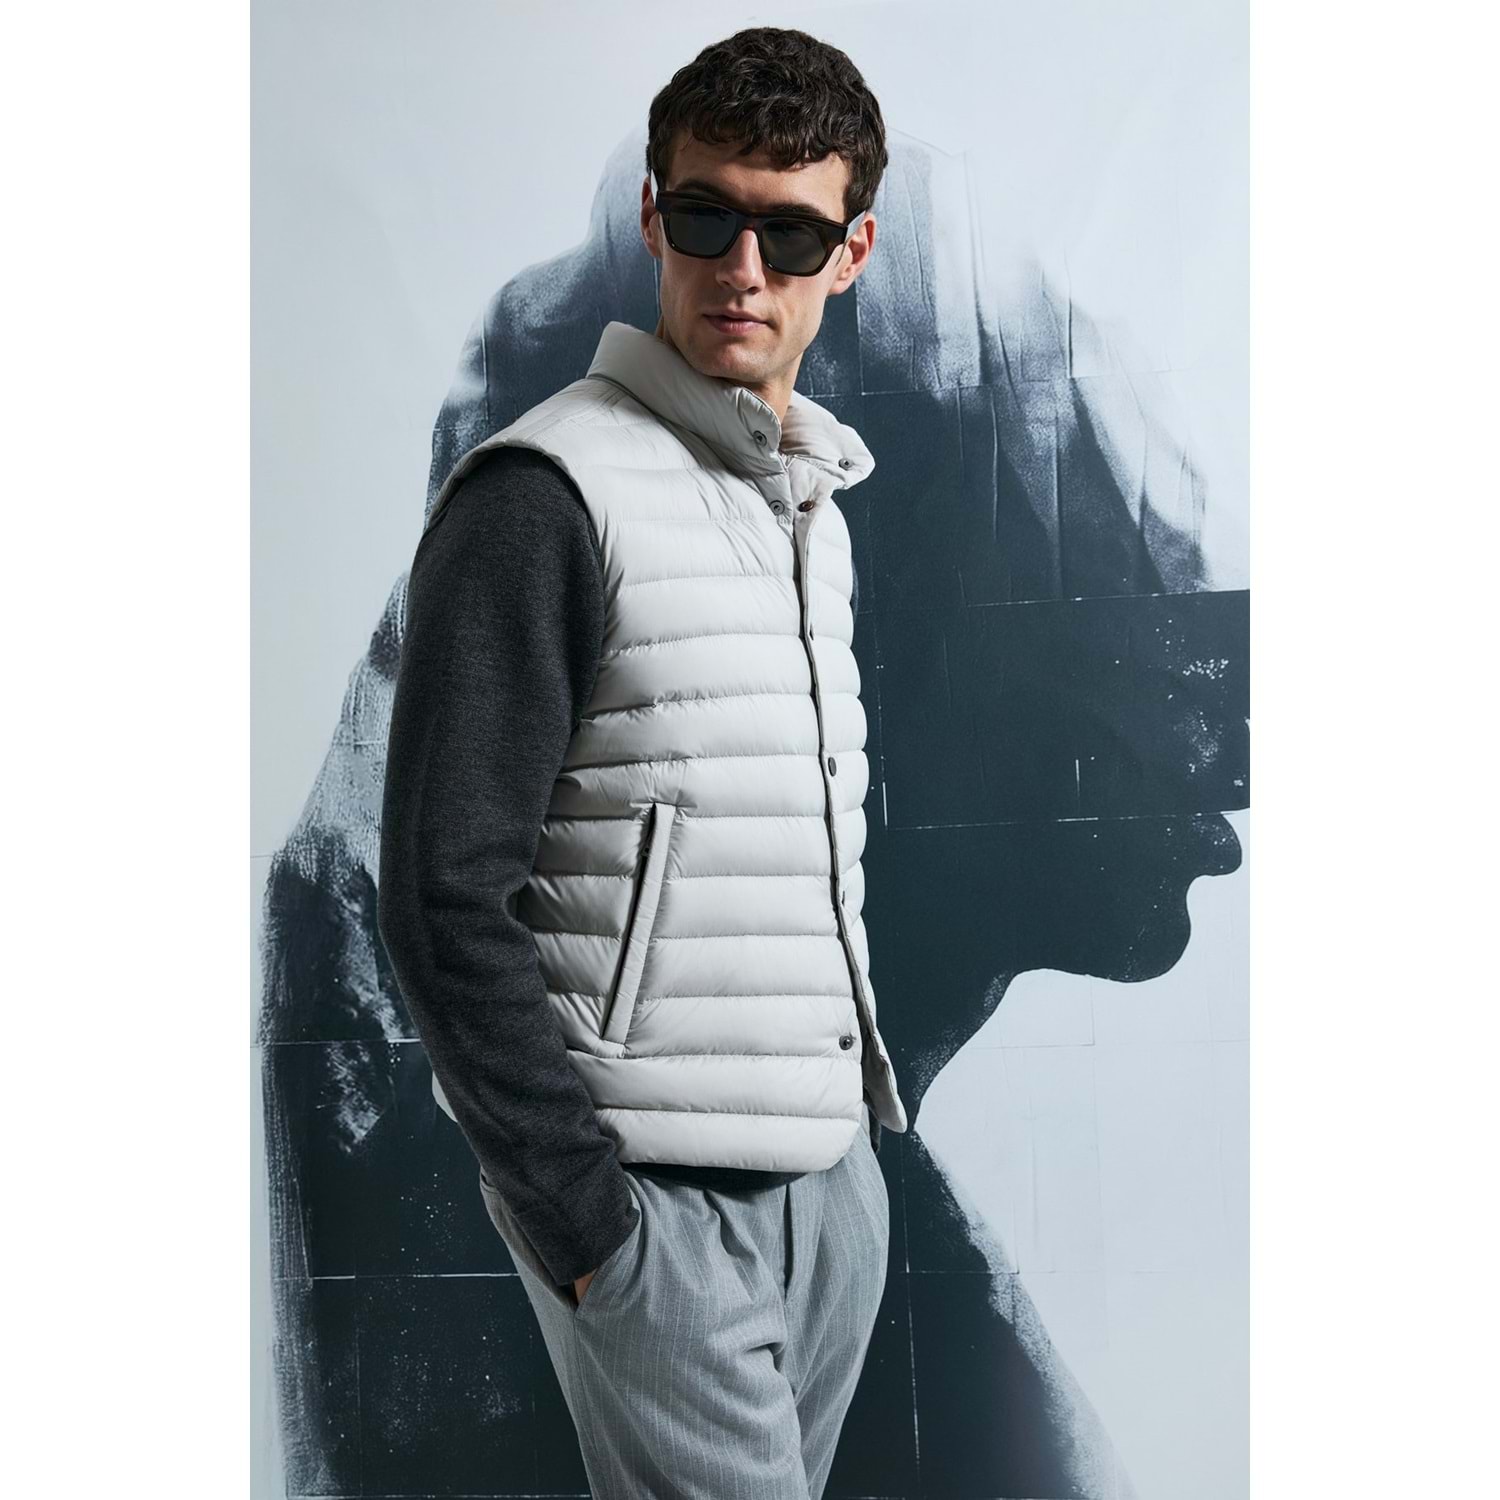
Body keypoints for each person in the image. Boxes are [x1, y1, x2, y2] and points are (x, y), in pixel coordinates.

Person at [378, 26, 908, 1499]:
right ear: (652, 220)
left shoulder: (810, 506)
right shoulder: (544, 494)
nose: (742, 267)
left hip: (827, 1185)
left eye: (788, 233)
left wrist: (849, 1173)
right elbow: (440, 896)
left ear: (851, 251)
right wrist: (586, 1222)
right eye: (704, 216)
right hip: (645, 1198)